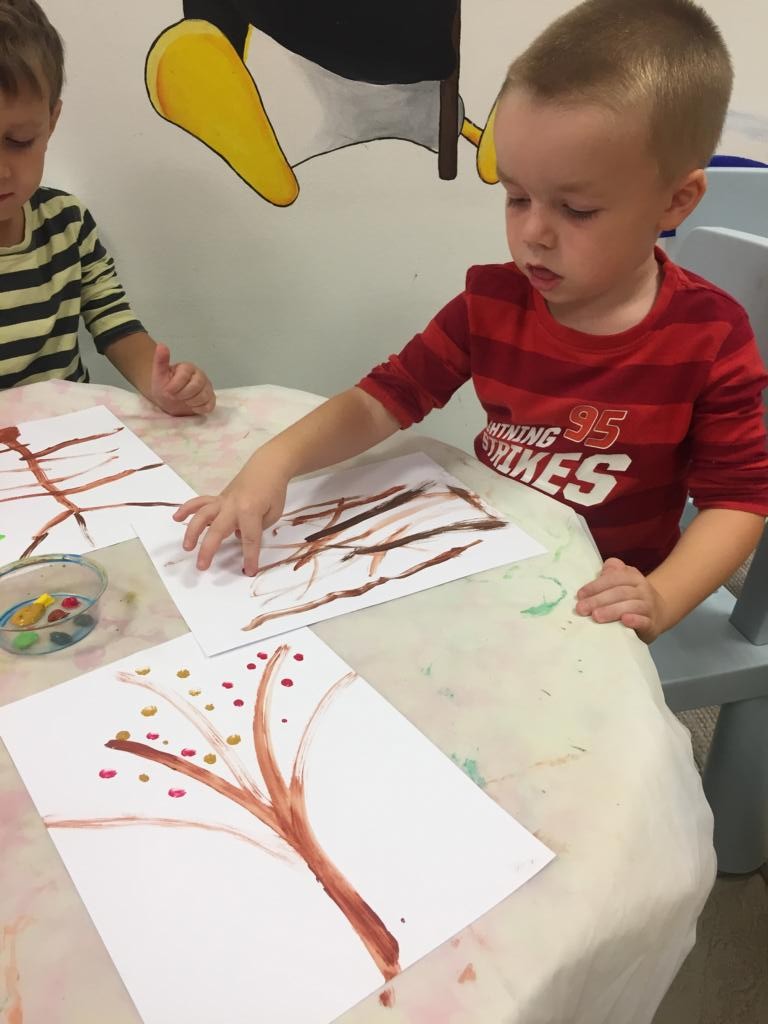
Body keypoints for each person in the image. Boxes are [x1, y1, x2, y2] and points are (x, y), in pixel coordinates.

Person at [176, 0, 768, 643]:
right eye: (516, 197)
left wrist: (661, 598)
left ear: (675, 201)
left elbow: (738, 500)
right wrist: (276, 460)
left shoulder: (710, 335)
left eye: (576, 209)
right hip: (487, 556)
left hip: (597, 604)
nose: (533, 233)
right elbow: (382, 399)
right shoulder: (492, 301)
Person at [0, 0, 215, 415]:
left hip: (72, 436)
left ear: (51, 121)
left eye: (20, 141)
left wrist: (159, 384)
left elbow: (114, 322)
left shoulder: (67, 223)